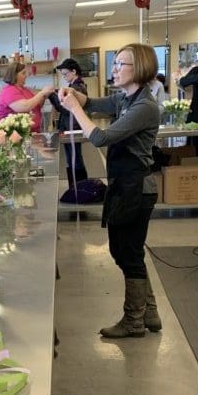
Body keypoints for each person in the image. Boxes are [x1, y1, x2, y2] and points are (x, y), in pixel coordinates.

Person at [58, 43, 161, 339]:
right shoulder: (126, 99)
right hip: (124, 186)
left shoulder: (144, 106)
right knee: (127, 251)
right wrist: (77, 96)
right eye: (114, 64)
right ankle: (148, 312)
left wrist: (75, 108)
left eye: (120, 65)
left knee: (127, 252)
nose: (114, 70)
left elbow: (100, 137)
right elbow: (94, 103)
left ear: (139, 68)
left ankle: (134, 321)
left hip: (136, 189)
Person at [50, 58, 89, 186]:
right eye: (63, 74)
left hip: (73, 127)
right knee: (72, 158)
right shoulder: (74, 86)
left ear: (74, 71)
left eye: (66, 74)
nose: (65, 77)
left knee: (74, 158)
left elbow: (64, 108)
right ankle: (76, 186)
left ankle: (79, 187)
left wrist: (51, 95)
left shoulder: (78, 87)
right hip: (70, 126)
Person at [0, 61, 54, 130]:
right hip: (16, 134)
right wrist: (41, 93)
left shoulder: (24, 89)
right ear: (14, 75)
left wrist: (44, 96)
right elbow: (25, 106)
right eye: (23, 73)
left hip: (31, 132)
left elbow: (36, 105)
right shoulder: (9, 91)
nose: (26, 75)